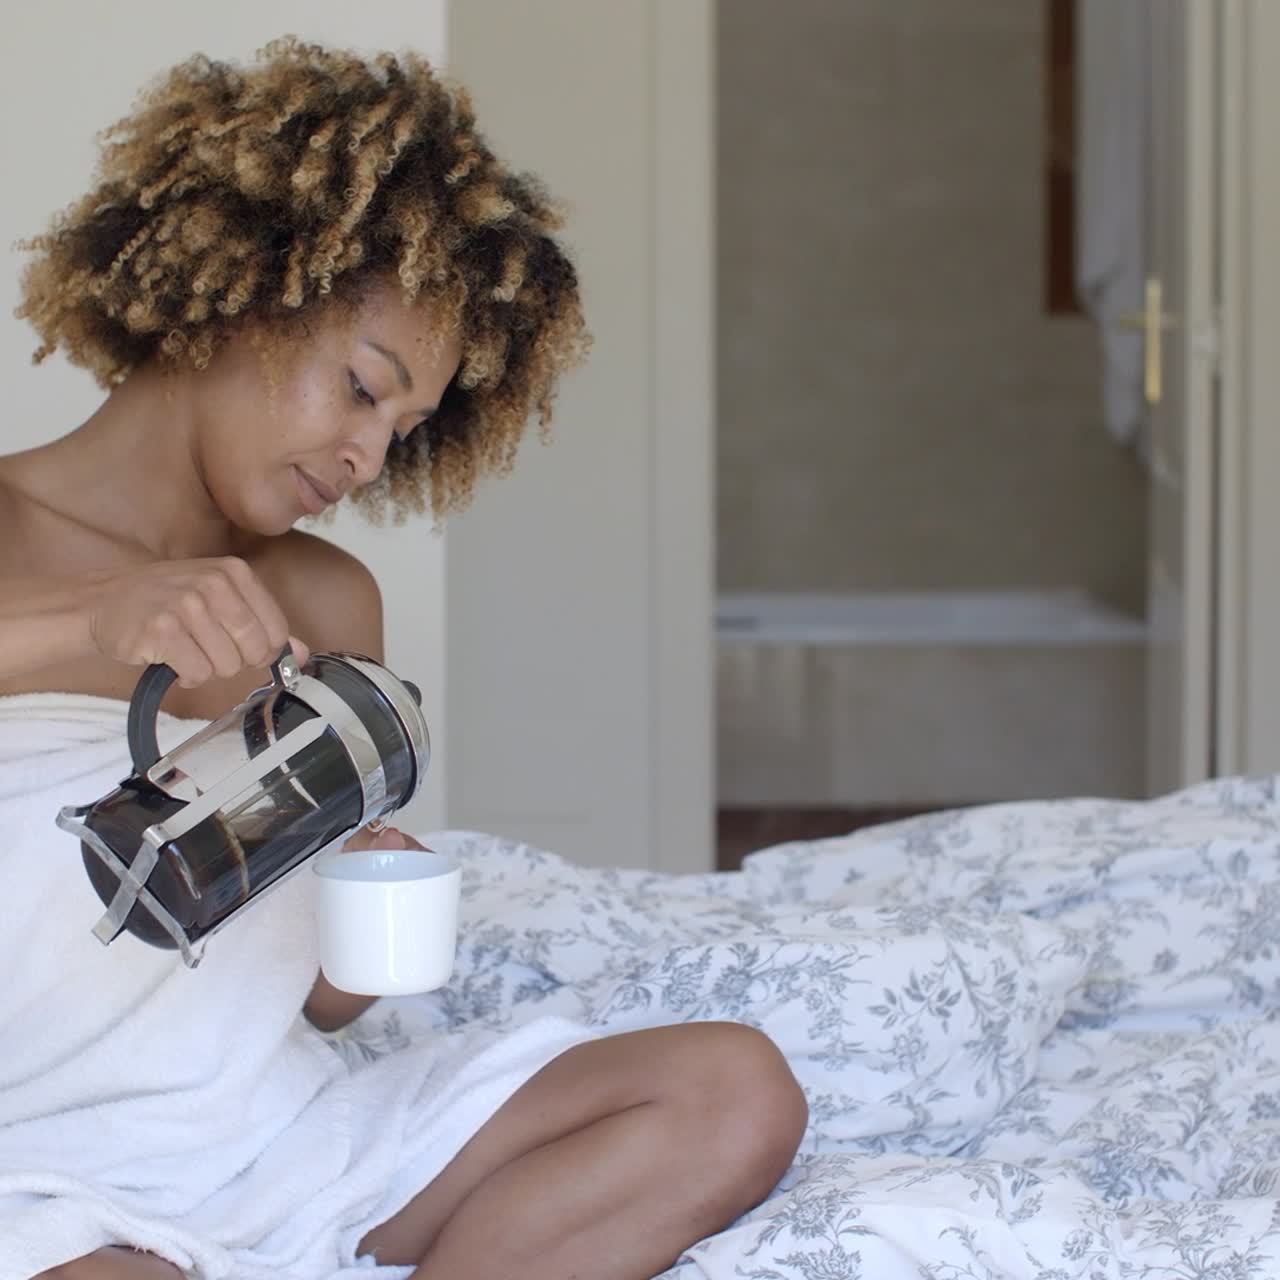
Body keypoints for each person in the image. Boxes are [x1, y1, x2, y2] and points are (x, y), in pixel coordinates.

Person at [0, 38, 807, 1280]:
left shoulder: (326, 595)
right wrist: (95, 621)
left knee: (729, 1092)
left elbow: (321, 1006)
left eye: (407, 427)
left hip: (282, 1132)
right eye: (361, 389)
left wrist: (365, 925)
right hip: (38, 1159)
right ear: (245, 297)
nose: (368, 459)